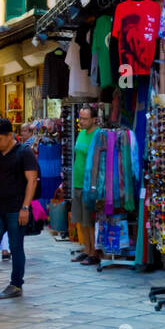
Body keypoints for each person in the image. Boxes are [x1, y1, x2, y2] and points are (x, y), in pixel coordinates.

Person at [0, 117, 40, 299]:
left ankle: (16, 285)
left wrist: (25, 208)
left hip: (16, 208)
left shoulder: (24, 153)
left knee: (16, 246)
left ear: (10, 135)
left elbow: (32, 181)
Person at [71, 104, 100, 264]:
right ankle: (86, 249)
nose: (81, 121)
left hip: (89, 183)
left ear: (94, 119)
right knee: (80, 219)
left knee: (89, 220)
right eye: (80, 118)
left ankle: (93, 253)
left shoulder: (98, 135)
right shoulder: (81, 133)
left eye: (84, 118)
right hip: (77, 182)